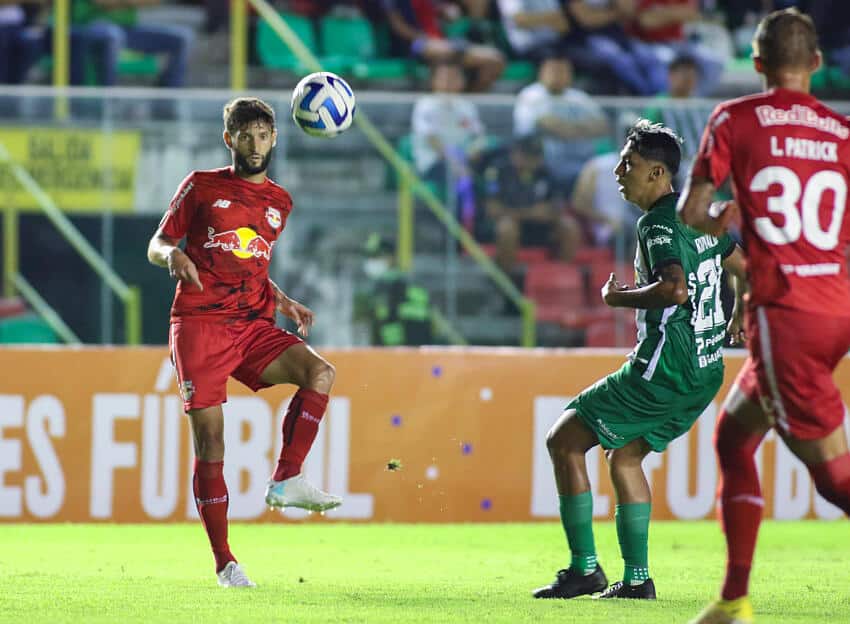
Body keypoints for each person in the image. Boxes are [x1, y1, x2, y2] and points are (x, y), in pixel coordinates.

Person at [678, 9, 850, 624]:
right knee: (733, 437)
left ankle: (734, 602)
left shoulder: (736, 118)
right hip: (836, 306)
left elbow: (691, 211)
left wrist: (722, 217)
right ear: (817, 64)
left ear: (756, 63)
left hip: (786, 315)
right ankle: (733, 601)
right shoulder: (842, 132)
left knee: (834, 480)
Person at [532, 120, 746, 601]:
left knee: (564, 440)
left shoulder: (658, 224)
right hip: (706, 369)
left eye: (628, 163)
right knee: (625, 456)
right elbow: (743, 267)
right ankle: (636, 580)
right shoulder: (700, 215)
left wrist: (618, 298)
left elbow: (674, 288)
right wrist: (741, 312)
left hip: (664, 370)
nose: (618, 172)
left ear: (657, 173)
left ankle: (584, 569)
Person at [146, 97, 342, 588]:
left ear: (275, 138)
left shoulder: (280, 202)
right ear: (228, 139)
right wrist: (172, 257)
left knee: (320, 372)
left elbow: (248, 260)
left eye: (263, 135)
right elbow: (157, 243)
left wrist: (282, 300)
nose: (255, 144)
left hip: (252, 323)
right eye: (245, 135)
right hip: (200, 325)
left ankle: (287, 478)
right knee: (212, 443)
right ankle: (225, 563)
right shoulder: (201, 186)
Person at [480, 134, 581, 272]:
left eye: (536, 157)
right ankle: (505, 278)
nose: (533, 161)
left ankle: (560, 275)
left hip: (538, 227)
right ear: (516, 154)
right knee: (507, 228)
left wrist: (547, 212)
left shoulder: (546, 172)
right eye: (528, 156)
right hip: (507, 226)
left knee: (569, 227)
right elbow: (492, 210)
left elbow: (556, 208)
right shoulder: (497, 172)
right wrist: (529, 213)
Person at [513, 56, 609, 195]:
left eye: (563, 71)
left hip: (583, 162)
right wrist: (581, 129)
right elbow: (544, 123)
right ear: (542, 72)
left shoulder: (579, 98)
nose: (558, 75)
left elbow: (602, 126)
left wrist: (566, 128)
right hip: (544, 164)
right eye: (554, 70)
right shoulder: (531, 95)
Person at [382, 0, 504, 91]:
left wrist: (446, 11)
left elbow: (438, 12)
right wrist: (422, 37)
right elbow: (396, 25)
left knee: (494, 60)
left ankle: (468, 97)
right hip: (414, 44)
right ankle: (458, 50)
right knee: (445, 49)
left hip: (443, 43)